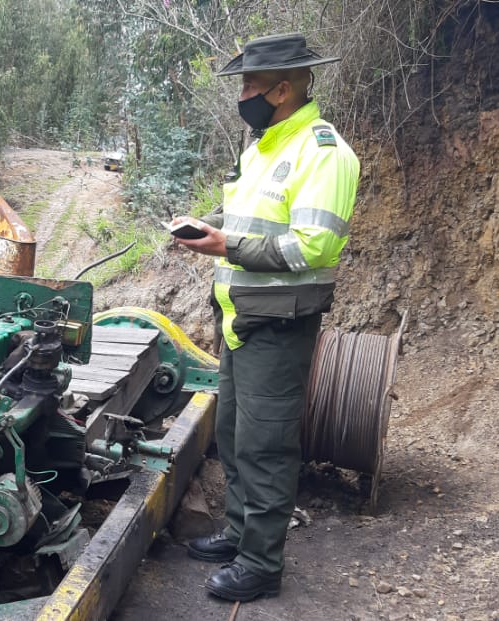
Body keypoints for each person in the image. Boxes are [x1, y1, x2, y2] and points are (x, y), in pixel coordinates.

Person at [170, 32, 360, 602]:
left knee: (266, 445)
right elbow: (246, 219)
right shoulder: (262, 149)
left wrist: (224, 246)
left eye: (249, 85)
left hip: (279, 324)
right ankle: (239, 533)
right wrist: (207, 226)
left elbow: (314, 247)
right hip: (240, 318)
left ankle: (260, 564)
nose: (242, 96)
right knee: (233, 435)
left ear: (282, 90)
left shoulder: (324, 153)